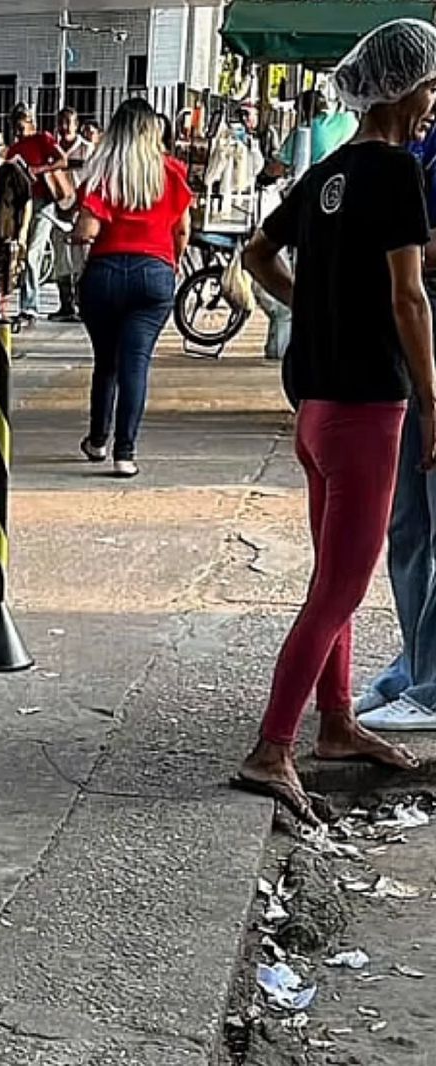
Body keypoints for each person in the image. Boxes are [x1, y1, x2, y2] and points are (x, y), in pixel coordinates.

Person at [236, 18, 436, 823]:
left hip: (315, 408)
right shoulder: (397, 172)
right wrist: (433, 398)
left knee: (333, 578)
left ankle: (336, 723)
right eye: (430, 87)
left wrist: (314, 311)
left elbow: (257, 253)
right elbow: (409, 296)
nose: (433, 104)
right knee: (343, 587)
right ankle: (272, 745)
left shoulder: (327, 173)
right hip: (367, 411)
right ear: (403, 90)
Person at [351, 44, 436, 735]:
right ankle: (416, 661)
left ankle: (432, 683)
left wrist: (404, 248)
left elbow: (415, 258)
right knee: (406, 522)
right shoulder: (419, 145)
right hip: (414, 344)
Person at [71, 98, 193, 479]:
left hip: (104, 274)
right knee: (135, 363)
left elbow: (86, 230)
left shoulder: (102, 171)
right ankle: (125, 453)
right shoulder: (171, 171)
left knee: (105, 362)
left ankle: (97, 440)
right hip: (154, 274)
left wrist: (77, 238)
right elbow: (183, 230)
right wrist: (171, 263)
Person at [5, 104, 69, 327]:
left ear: (30, 123)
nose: (19, 131)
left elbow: (63, 160)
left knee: (34, 254)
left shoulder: (43, 139)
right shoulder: (14, 149)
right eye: (16, 127)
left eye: (22, 126)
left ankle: (29, 307)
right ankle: (24, 304)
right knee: (23, 253)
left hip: (44, 201)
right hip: (23, 203)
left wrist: (39, 169)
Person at [0, 154, 36, 327]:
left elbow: (26, 201)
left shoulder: (12, 171)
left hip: (6, 231)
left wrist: (23, 232)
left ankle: (1, 311)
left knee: (5, 276)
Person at [49, 107, 95, 322]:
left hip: (80, 211)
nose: (65, 127)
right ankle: (65, 304)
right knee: (61, 260)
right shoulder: (53, 149)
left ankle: (84, 304)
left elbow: (94, 181)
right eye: (61, 122)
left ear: (77, 125)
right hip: (58, 210)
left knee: (82, 259)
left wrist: (82, 206)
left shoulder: (87, 150)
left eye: (69, 122)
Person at [265, 88, 360, 179]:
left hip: (313, 173)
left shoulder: (303, 131)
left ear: (303, 112)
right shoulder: (348, 120)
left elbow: (279, 165)